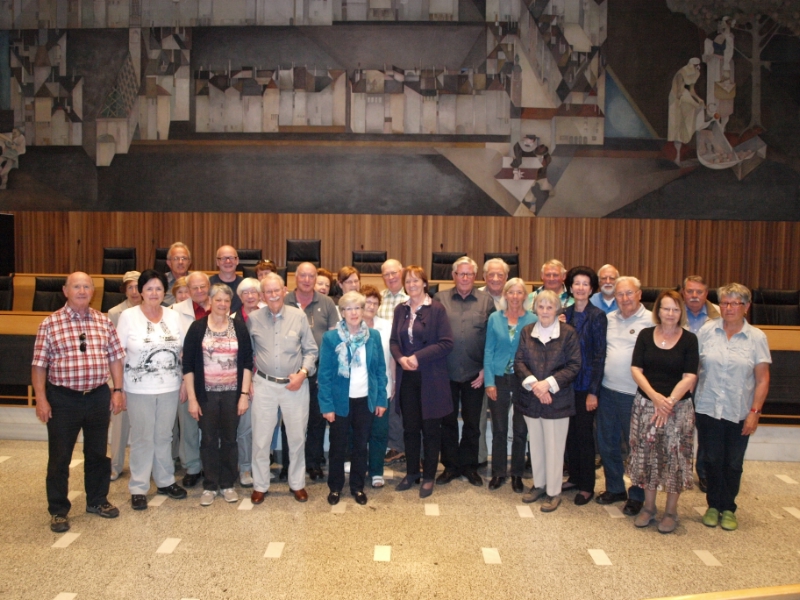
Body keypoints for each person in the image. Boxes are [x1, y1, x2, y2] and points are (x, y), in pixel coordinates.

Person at [32, 272, 126, 533]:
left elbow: (115, 358)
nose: (82, 291)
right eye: (76, 286)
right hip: (63, 399)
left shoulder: (103, 321)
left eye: (86, 286)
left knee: (97, 453)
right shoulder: (50, 324)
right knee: (60, 457)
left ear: (93, 291)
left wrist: (118, 390)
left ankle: (97, 500)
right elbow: (39, 365)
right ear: (65, 291)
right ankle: (58, 510)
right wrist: (41, 398)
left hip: (97, 396)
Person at [695, 283, 771, 532]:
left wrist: (755, 412)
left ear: (746, 307)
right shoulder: (707, 331)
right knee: (711, 459)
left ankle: (728, 507)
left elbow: (762, 379)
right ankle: (713, 505)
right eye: (725, 303)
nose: (728, 308)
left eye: (734, 303)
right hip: (708, 408)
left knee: (733, 462)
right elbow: (695, 369)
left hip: (739, 411)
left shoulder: (757, 337)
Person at [627, 290, 699, 534]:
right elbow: (636, 369)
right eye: (666, 308)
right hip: (647, 405)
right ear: (658, 310)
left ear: (681, 313)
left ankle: (670, 512)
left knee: (675, 459)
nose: (670, 313)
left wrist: (668, 402)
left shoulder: (689, 340)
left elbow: (690, 376)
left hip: (678, 409)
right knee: (647, 456)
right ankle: (648, 508)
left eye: (675, 309)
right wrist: (655, 397)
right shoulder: (645, 335)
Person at [116, 270, 187, 511]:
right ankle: (138, 487)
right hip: (138, 388)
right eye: (149, 288)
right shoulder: (128, 317)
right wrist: (118, 388)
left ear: (164, 291)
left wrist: (184, 382)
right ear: (140, 291)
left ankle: (165, 480)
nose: (154, 293)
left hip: (170, 386)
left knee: (164, 436)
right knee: (142, 437)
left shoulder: (174, 315)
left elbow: (183, 351)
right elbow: (118, 355)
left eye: (158, 288)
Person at [248, 273, 318, 505]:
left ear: (284, 290)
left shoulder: (298, 316)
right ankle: (260, 485)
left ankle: (297, 484)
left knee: (297, 437)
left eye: (276, 290)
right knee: (261, 439)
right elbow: (248, 353)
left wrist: (303, 373)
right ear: (262, 295)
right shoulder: (254, 319)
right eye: (268, 291)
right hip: (264, 385)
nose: (273, 295)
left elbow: (311, 350)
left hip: (295, 385)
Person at [184, 284, 254, 506]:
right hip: (206, 395)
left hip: (232, 394)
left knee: (230, 439)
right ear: (210, 302)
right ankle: (210, 485)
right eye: (218, 300)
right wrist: (192, 399)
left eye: (226, 300)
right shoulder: (197, 328)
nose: (222, 304)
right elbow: (188, 365)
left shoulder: (239, 327)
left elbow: (247, 362)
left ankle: (227, 484)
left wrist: (243, 394)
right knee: (208, 439)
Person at [318, 291, 388, 506]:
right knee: (338, 447)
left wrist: (381, 399)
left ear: (363, 310)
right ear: (342, 312)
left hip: (365, 400)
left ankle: (357, 487)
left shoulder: (373, 336)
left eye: (357, 308)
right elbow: (324, 375)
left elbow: (379, 370)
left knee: (360, 446)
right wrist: (326, 405)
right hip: (340, 402)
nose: (354, 312)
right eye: (348, 309)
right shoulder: (331, 338)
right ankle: (335, 487)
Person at [514, 290, 581, 512]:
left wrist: (548, 384)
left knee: (554, 448)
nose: (544, 311)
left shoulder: (568, 333)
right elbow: (519, 362)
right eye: (541, 307)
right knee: (536, 446)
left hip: (558, 400)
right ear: (535, 309)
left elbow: (574, 365)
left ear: (557, 309)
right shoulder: (527, 331)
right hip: (532, 398)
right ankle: (539, 485)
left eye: (549, 307)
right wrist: (536, 385)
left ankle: (553, 492)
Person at [391, 266, 453, 498]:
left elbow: (447, 343)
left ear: (425, 283)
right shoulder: (400, 309)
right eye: (408, 281)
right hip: (407, 377)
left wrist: (417, 357)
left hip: (431, 378)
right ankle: (411, 473)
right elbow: (393, 341)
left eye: (416, 280)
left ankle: (428, 476)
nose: (412, 285)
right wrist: (401, 359)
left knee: (430, 430)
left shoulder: (436, 309)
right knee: (410, 428)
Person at [434, 257, 495, 487]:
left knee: (472, 424)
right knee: (447, 422)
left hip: (475, 373)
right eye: (461, 273)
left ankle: (469, 466)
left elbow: (491, 339)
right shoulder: (440, 299)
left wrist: (485, 369)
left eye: (469, 274)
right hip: (446, 372)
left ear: (475, 276)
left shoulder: (486, 301)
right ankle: (450, 466)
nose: (465, 277)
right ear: (454, 276)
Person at [596, 276, 652, 516]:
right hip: (607, 390)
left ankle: (637, 495)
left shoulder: (652, 320)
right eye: (620, 294)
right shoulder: (608, 319)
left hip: (635, 394)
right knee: (607, 443)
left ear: (639, 294)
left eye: (629, 293)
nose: (625, 298)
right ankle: (615, 488)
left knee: (636, 447)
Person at [284, 262, 339, 481]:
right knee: (291, 421)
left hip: (319, 371)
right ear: (295, 278)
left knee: (316, 421)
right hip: (290, 373)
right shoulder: (285, 300)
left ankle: (314, 462)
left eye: (311, 276)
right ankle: (289, 464)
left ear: (316, 279)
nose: (307, 280)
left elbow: (334, 339)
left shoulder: (327, 303)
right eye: (303, 276)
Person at [483, 277, 536, 492]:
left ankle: (517, 474)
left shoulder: (533, 318)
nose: (515, 296)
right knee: (499, 428)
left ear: (525, 296)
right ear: (505, 294)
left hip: (524, 379)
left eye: (519, 292)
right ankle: (498, 472)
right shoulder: (495, 318)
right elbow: (488, 351)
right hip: (498, 378)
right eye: (511, 292)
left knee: (520, 429)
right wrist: (489, 382)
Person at [563, 266, 607, 505]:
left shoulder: (597, 316)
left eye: (585, 284)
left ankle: (587, 485)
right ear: (570, 287)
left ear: (591, 289)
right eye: (576, 283)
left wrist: (593, 392)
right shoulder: (564, 314)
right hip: (566, 385)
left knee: (584, 436)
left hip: (585, 385)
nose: (580, 288)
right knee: (570, 435)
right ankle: (574, 477)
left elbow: (599, 356)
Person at [172, 271, 211, 488]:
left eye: (202, 286)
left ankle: (210, 464)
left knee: (212, 424)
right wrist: (182, 381)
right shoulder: (175, 311)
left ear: (208, 286)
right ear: (187, 289)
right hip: (187, 375)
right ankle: (192, 466)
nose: (199, 291)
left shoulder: (220, 305)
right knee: (188, 424)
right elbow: (175, 349)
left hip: (215, 376)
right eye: (194, 288)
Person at [681, 274, 720, 492]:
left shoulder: (720, 315)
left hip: (708, 380)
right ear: (683, 293)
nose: (694, 295)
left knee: (706, 428)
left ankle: (704, 472)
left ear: (706, 294)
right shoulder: (674, 312)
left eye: (699, 292)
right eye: (690, 291)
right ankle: (679, 469)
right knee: (680, 426)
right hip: (679, 380)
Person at [107, 270, 141, 481]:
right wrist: (113, 383)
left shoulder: (153, 309)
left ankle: (144, 467)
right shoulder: (114, 313)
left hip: (144, 378)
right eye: (130, 287)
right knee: (119, 425)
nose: (134, 291)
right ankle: (115, 466)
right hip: (121, 376)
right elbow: (110, 350)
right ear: (124, 290)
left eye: (138, 286)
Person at [361, 284, 395, 488]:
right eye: (368, 302)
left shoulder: (386, 326)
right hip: (357, 388)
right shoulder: (350, 324)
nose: (371, 306)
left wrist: (394, 382)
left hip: (382, 386)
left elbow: (391, 356)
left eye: (375, 303)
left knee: (379, 431)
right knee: (358, 431)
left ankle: (376, 471)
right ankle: (358, 468)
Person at [477, 258, 510, 467]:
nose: (496, 278)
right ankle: (479, 457)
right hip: (480, 368)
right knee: (479, 417)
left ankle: (510, 460)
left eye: (500, 275)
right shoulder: (476, 298)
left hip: (508, 371)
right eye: (491, 274)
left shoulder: (515, 297)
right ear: (484, 277)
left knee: (509, 421)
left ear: (506, 277)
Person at [232, 277, 263, 486]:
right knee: (246, 427)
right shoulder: (232, 320)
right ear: (240, 296)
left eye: (254, 292)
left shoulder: (268, 315)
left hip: (266, 379)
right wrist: (248, 380)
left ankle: (259, 466)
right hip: (243, 380)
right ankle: (244, 468)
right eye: (246, 293)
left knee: (264, 427)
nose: (250, 296)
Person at [378, 258, 409, 467]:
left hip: (406, 357)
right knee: (390, 402)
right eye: (386, 274)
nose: (390, 277)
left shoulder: (410, 298)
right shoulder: (378, 299)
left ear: (402, 272)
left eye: (394, 273)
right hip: (384, 359)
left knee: (407, 404)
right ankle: (394, 446)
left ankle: (408, 448)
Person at [210, 245, 243, 314]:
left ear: (237, 260)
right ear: (217, 262)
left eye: (231, 258)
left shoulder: (245, 285)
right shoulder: (208, 284)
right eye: (223, 258)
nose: (228, 261)